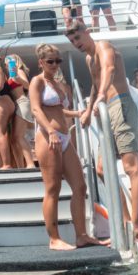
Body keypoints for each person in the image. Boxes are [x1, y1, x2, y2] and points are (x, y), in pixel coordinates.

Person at [65, 22, 138, 242]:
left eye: (78, 38)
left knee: (131, 166)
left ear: (87, 32)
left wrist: (101, 96)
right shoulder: (89, 59)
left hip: (120, 103)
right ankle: (127, 221)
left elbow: (109, 69)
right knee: (101, 169)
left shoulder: (103, 46)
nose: (76, 44)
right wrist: (89, 110)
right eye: (72, 41)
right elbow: (94, 85)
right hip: (105, 109)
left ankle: (136, 227)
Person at [30, 43, 105, 251]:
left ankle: (81, 236)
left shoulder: (56, 84)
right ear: (41, 62)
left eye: (58, 61)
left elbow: (61, 111)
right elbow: (36, 109)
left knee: (80, 187)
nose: (55, 65)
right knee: (52, 188)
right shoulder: (37, 81)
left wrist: (79, 113)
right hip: (47, 137)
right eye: (50, 61)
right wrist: (50, 131)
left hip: (64, 137)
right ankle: (54, 239)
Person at [5, 54, 35, 169]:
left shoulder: (18, 71)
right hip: (16, 104)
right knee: (13, 140)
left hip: (22, 102)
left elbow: (28, 85)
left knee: (19, 136)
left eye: (8, 63)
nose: (7, 65)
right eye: (6, 64)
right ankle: (20, 166)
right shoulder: (10, 75)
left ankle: (30, 164)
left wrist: (18, 78)